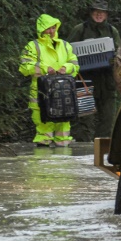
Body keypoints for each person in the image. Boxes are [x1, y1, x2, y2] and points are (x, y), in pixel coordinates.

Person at [19, 14, 80, 147]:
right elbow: (25, 67)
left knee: (63, 132)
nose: (51, 31)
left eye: (53, 28)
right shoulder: (32, 46)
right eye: (48, 28)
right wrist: (45, 69)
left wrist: (67, 67)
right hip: (41, 93)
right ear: (41, 29)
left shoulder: (65, 45)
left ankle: (63, 161)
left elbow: (75, 64)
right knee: (43, 133)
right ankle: (42, 161)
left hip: (64, 94)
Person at [67, 0, 121, 141]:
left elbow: (120, 53)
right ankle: (83, 151)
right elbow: (67, 51)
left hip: (107, 82)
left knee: (108, 119)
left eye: (102, 12)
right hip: (85, 80)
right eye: (96, 12)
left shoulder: (112, 31)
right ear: (91, 13)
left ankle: (102, 151)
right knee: (85, 119)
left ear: (106, 15)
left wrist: (114, 60)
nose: (99, 15)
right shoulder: (80, 29)